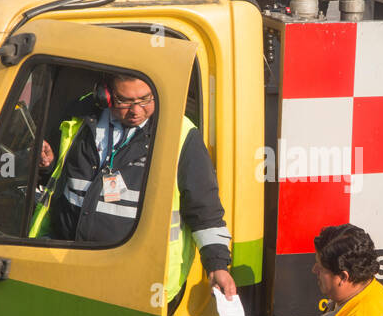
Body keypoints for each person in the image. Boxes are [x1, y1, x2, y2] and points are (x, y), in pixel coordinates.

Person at [30, 74, 236, 302]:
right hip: (68, 266)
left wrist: (218, 265)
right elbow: (63, 178)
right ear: (105, 95)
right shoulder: (79, 116)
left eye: (145, 100)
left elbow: (204, 208)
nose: (136, 111)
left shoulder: (180, 134)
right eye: (125, 101)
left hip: (138, 283)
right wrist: (47, 166)